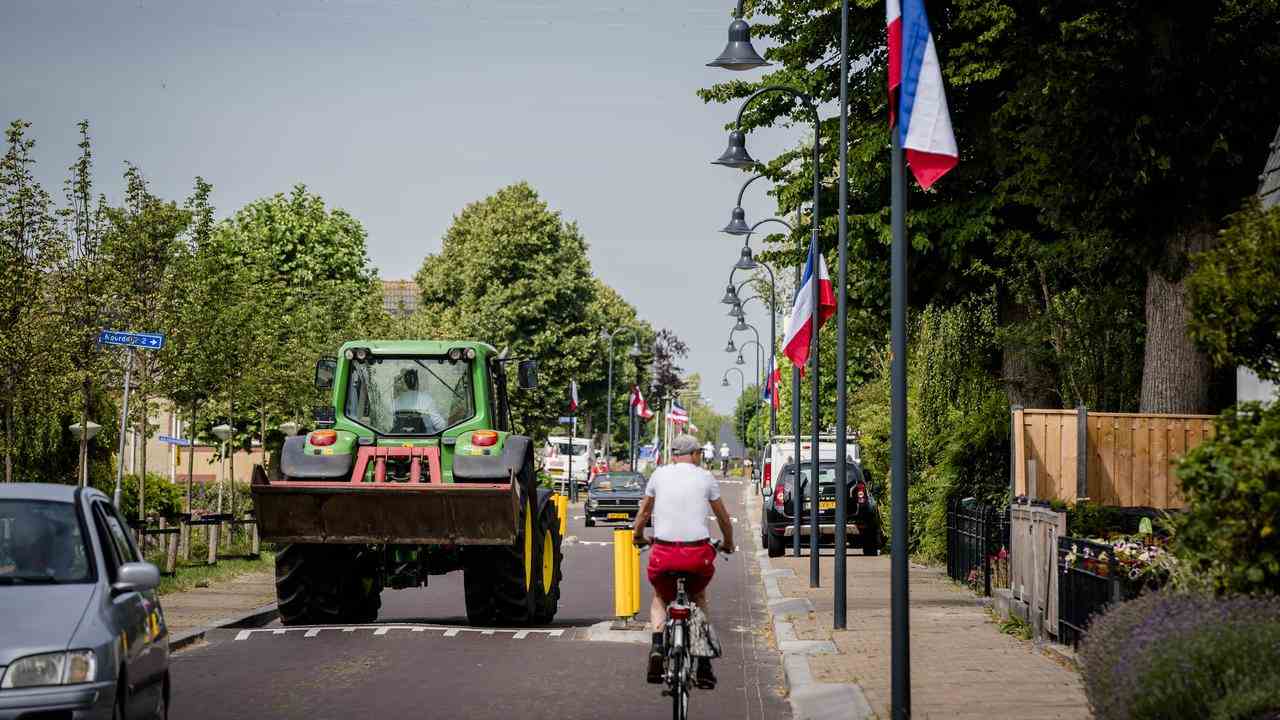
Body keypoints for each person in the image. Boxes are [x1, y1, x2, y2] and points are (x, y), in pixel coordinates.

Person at [632, 433, 735, 689]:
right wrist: (728, 542)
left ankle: (657, 645)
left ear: (673, 454)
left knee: (659, 597)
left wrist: (637, 535)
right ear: (696, 454)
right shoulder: (705, 477)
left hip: (664, 553)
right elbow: (723, 517)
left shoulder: (658, 475)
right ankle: (703, 664)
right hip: (697, 555)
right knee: (698, 596)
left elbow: (644, 511)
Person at [393, 368, 447, 433]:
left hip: (397, 440)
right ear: (417, 383)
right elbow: (440, 426)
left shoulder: (394, 402)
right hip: (425, 440)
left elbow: (389, 424)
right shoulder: (426, 399)